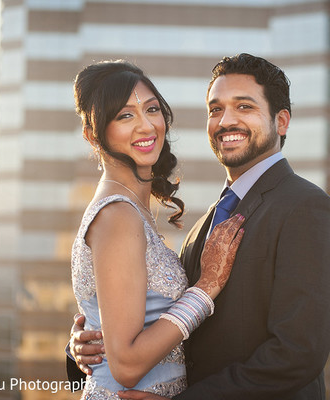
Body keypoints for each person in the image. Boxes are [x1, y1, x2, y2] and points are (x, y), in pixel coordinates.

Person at [70, 54, 330, 399]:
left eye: (244, 107)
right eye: (215, 109)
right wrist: (85, 350)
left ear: (281, 121)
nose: (226, 120)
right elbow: (162, 329)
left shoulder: (308, 210)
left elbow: (296, 355)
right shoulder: (204, 225)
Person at [68, 60, 244, 399]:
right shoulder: (118, 215)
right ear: (93, 134)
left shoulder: (131, 210)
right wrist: (205, 289)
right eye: (125, 116)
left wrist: (84, 338)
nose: (146, 125)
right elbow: (128, 367)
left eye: (151, 109)